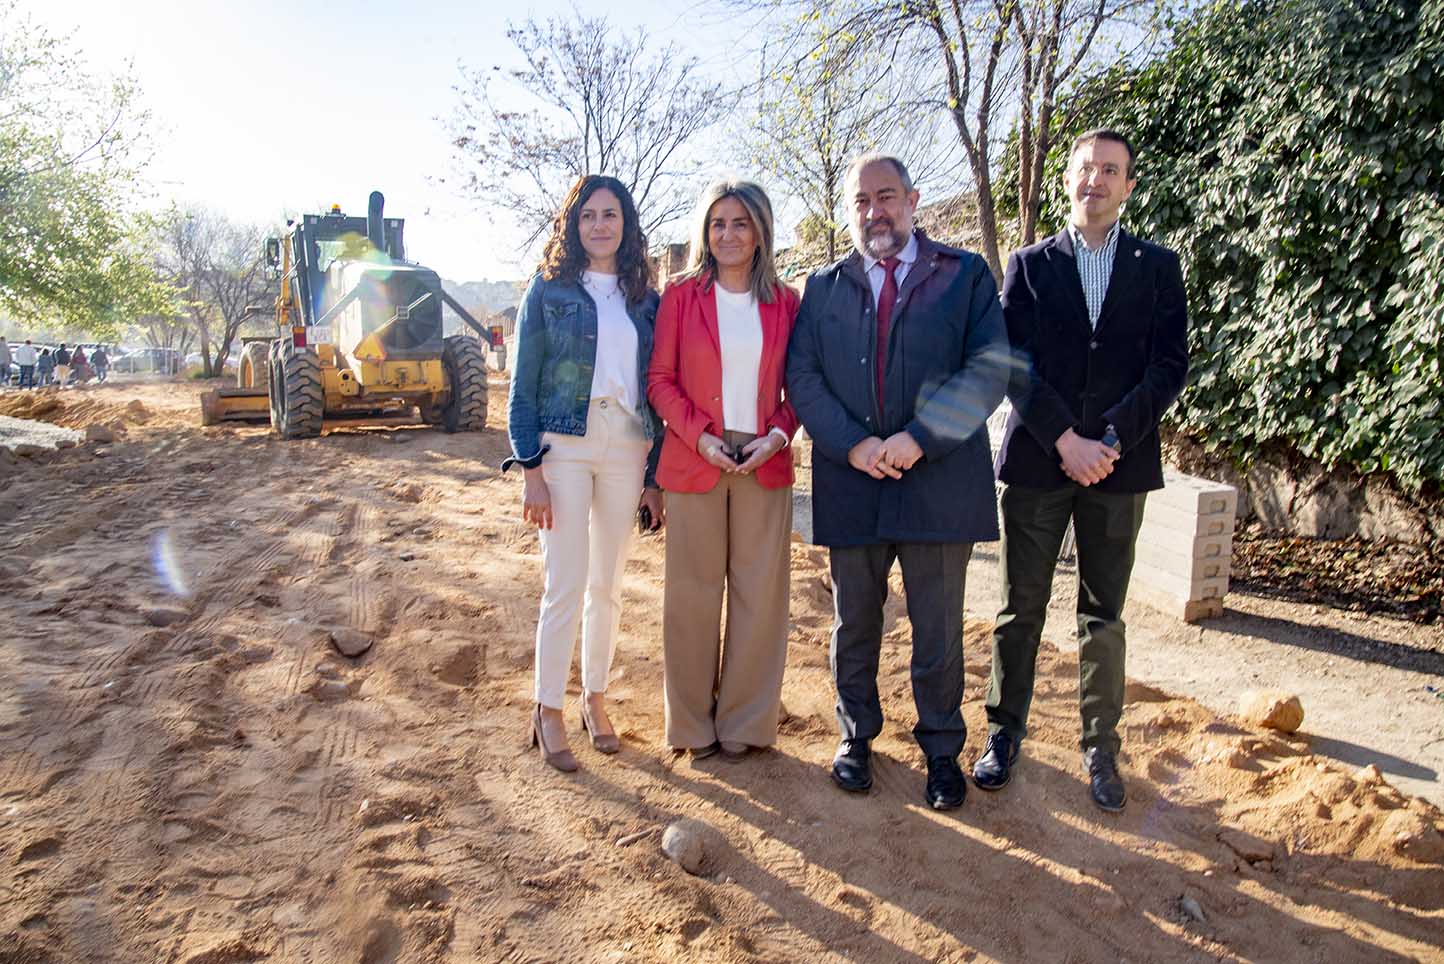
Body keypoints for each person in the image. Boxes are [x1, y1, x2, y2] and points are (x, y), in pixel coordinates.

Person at [975, 129, 1190, 813]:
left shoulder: (1159, 267)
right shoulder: (1030, 265)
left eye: (1110, 170)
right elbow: (1014, 360)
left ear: (1128, 185)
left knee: (1103, 616)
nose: (1095, 180)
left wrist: (1110, 438)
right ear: (1066, 180)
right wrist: (1065, 438)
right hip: (1041, 460)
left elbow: (1168, 367)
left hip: (1119, 470)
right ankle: (1004, 733)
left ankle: (1100, 745)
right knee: (1020, 608)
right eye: (1085, 169)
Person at [786, 154, 1009, 810]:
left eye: (886, 197)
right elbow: (802, 376)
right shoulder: (822, 286)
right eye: (861, 201)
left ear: (912, 200)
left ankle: (941, 752)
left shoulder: (963, 274)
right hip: (851, 479)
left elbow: (990, 369)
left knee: (937, 631)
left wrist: (919, 438)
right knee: (854, 621)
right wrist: (853, 445)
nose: (874, 211)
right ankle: (856, 738)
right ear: (848, 210)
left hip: (937, 481)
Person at [504, 174, 666, 773]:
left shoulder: (644, 296)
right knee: (565, 582)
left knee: (609, 584)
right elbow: (523, 384)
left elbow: (655, 384)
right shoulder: (547, 291)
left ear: (626, 225)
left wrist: (655, 473)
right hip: (564, 446)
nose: (600, 224)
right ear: (573, 225)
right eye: (589, 215)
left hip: (626, 444)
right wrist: (531, 470)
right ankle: (547, 707)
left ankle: (595, 699)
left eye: (611, 214)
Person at [647, 180, 800, 761]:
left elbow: (803, 385)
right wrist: (700, 436)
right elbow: (659, 380)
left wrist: (779, 434)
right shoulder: (681, 296)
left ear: (760, 229)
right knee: (692, 594)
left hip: (764, 457)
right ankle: (689, 725)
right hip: (695, 453)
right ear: (703, 233)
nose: (729, 234)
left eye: (741, 223)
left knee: (760, 595)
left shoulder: (787, 302)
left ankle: (744, 722)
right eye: (717, 223)